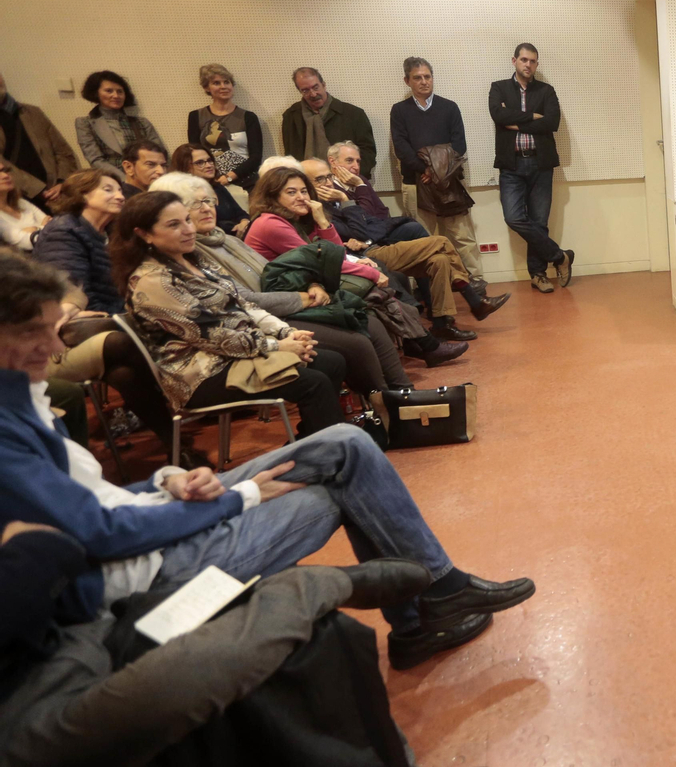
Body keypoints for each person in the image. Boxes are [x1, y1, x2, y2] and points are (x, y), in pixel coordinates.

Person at [0, 252, 537, 670]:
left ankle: (435, 596)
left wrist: (167, 477)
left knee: (345, 446)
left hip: (162, 519)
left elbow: (96, 499)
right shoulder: (8, 427)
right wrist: (242, 496)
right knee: (341, 488)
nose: (54, 347)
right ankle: (422, 616)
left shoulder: (23, 400)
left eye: (60, 329)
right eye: (35, 332)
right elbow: (104, 534)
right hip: (151, 571)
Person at [0, 519, 425, 766]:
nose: (48, 357)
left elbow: (63, 533)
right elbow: (60, 538)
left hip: (80, 621)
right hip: (33, 700)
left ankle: (432, 600)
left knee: (339, 443)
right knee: (266, 650)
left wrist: (175, 481)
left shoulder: (32, 411)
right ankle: (326, 584)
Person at [151, 171, 414, 396]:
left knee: (365, 315)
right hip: (258, 322)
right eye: (195, 205)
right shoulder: (194, 253)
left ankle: (402, 393)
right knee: (357, 336)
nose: (208, 208)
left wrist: (313, 285)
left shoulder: (225, 239)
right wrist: (305, 296)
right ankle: (386, 404)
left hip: (281, 305)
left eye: (209, 201)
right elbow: (244, 301)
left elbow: (289, 270)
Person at [113, 191, 350, 439]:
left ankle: (311, 445)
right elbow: (211, 337)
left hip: (239, 352)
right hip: (201, 374)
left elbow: (244, 304)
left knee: (332, 363)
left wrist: (287, 333)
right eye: (174, 225)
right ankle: (329, 455)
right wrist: (277, 346)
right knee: (314, 383)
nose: (188, 229)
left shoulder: (193, 260)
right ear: (144, 234)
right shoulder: (152, 281)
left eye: (187, 220)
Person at [247, 166, 504, 341]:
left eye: (305, 190)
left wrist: (355, 191)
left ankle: (443, 324)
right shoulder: (312, 209)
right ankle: (472, 297)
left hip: (367, 250)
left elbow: (376, 216)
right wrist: (342, 208)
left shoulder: (315, 209)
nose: (327, 183)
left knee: (438, 260)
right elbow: (351, 236)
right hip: (366, 253)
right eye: (319, 180)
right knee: (441, 243)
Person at [391, 57, 484, 285]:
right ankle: (430, 288)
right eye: (417, 78)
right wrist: (427, 169)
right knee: (423, 240)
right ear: (407, 81)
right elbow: (402, 148)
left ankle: (477, 281)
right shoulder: (400, 111)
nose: (424, 82)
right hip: (415, 183)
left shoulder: (449, 107)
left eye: (427, 76)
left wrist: (436, 172)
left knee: (463, 237)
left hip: (449, 183)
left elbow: (458, 146)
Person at [489, 43, 574, 293]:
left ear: (537, 64)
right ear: (514, 60)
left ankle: (538, 275)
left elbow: (553, 122)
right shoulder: (499, 88)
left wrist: (514, 120)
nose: (528, 65)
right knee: (513, 217)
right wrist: (534, 117)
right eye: (524, 60)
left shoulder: (546, 91)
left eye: (533, 61)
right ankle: (560, 257)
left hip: (541, 163)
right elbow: (498, 116)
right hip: (511, 164)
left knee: (539, 221)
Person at [32, 170, 125, 313]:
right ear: (81, 194)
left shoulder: (114, 229)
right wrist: (124, 318)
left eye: (120, 191)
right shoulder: (63, 232)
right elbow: (76, 293)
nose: (120, 197)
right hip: (94, 320)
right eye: (108, 190)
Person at [0, 70, 81, 206]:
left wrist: (63, 182)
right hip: (18, 200)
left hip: (60, 192)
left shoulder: (32, 112)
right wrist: (39, 190)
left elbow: (62, 151)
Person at [279, 67, 377, 178]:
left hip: (348, 183)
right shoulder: (291, 116)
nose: (313, 94)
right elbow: (289, 155)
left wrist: (351, 178)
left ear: (323, 84)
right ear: (300, 91)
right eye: (305, 90)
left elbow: (368, 152)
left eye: (316, 87)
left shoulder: (354, 114)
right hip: (306, 184)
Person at [327, 139, 430, 245]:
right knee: (414, 229)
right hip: (360, 239)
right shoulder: (331, 188)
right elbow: (365, 218)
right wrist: (360, 186)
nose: (356, 167)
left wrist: (360, 184)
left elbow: (382, 211)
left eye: (358, 161)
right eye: (349, 161)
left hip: (378, 231)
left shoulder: (361, 179)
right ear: (333, 162)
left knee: (416, 229)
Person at [73, 71, 166, 179]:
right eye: (109, 91)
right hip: (112, 180)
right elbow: (95, 160)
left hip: (148, 178)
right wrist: (125, 180)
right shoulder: (85, 123)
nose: (116, 95)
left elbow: (161, 154)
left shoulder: (141, 122)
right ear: (96, 93)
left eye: (120, 91)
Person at [185, 63, 264, 189]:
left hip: (246, 181)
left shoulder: (248, 117)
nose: (223, 87)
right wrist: (213, 179)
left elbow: (256, 157)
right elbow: (194, 154)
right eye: (216, 83)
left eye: (226, 82)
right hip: (210, 182)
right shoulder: (196, 116)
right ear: (206, 88)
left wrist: (229, 177)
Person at [171, 142, 249, 235]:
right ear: (185, 167)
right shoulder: (184, 194)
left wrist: (244, 222)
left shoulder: (217, 187)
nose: (209, 165)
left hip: (235, 237)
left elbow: (240, 213)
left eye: (209, 160)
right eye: (200, 162)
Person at [0, 162, 51, 251]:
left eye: (5, 170)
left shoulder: (20, 202)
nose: (5, 175)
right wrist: (42, 226)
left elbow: (53, 224)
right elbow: (28, 243)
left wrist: (34, 230)